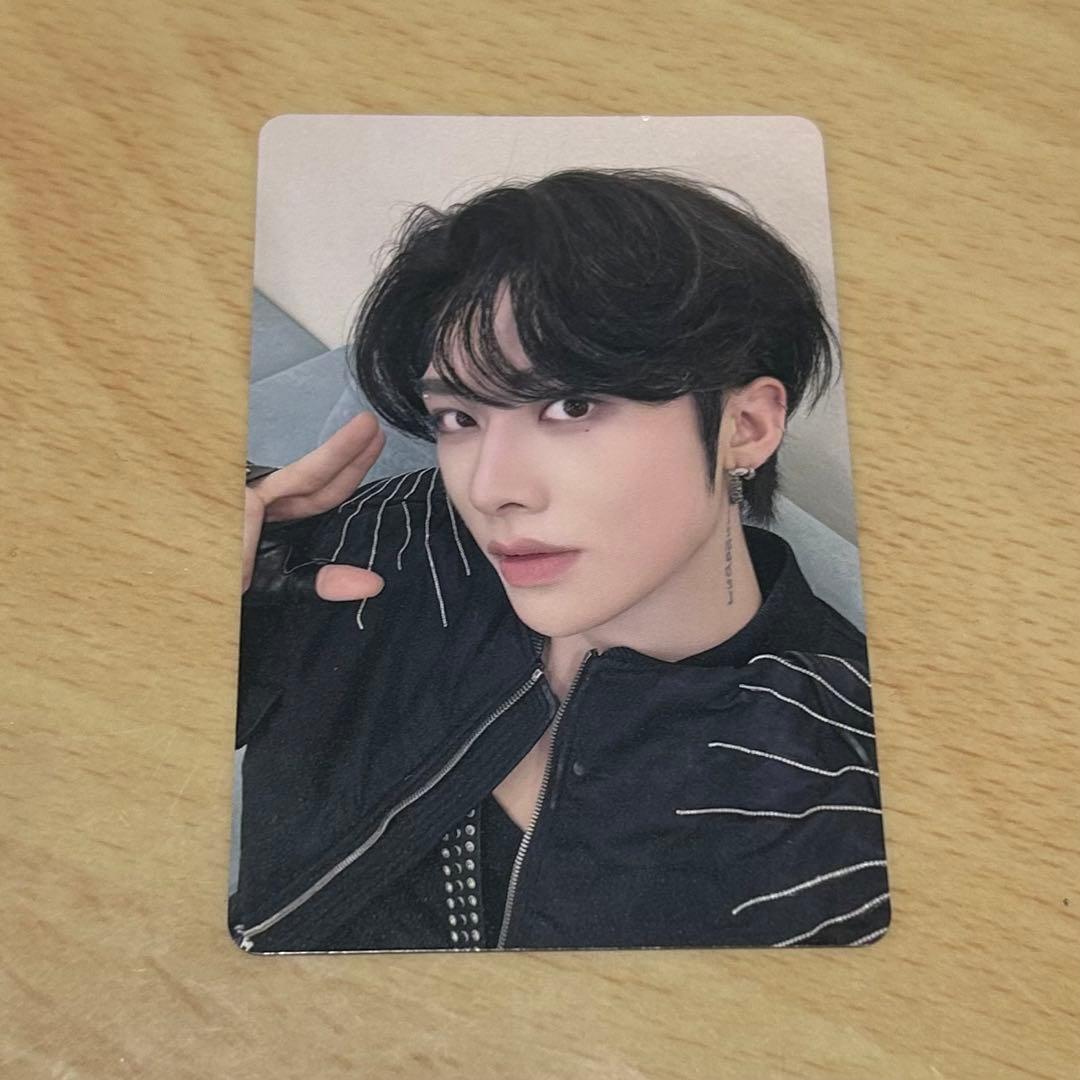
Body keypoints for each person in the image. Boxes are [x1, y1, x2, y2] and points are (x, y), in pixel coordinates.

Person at [230, 168, 890, 953]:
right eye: (458, 418)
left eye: (571, 405)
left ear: (744, 427)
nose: (489, 488)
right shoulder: (370, 548)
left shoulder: (846, 808)